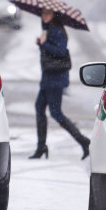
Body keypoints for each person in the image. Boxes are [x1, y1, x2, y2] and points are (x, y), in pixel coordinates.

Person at [29, 8, 90, 161]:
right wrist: (41, 42)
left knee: (56, 113)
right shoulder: (48, 30)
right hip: (48, 78)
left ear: (54, 16)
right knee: (39, 108)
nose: (44, 16)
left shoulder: (57, 31)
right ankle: (41, 147)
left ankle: (84, 141)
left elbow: (61, 51)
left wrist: (43, 44)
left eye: (48, 14)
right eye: (43, 13)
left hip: (55, 79)